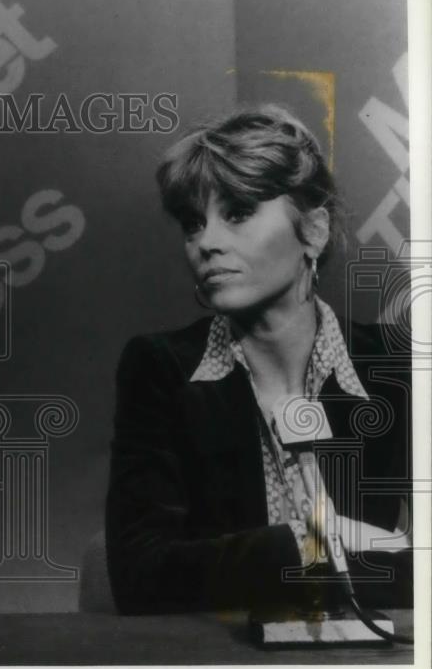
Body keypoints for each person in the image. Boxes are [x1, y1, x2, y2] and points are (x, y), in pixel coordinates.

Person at [97, 105, 412, 615]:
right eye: (193, 223)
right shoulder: (161, 370)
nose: (207, 243)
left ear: (313, 230)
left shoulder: (397, 366)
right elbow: (141, 579)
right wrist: (312, 540)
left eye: (239, 212)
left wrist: (256, 564)